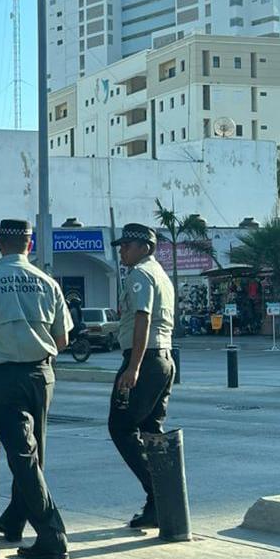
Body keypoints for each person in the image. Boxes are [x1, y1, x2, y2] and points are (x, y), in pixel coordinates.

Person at [0, 219, 73, 559]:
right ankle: (13, 520)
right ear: (30, 243)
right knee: (31, 454)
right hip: (41, 376)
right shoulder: (48, 283)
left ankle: (52, 535)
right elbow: (63, 338)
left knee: (22, 457)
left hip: (3, 380)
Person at [109, 223, 176, 530]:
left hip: (145, 359)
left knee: (121, 427)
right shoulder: (161, 274)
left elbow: (142, 318)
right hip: (163, 358)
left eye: (127, 245)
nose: (122, 250)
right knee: (151, 431)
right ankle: (159, 505)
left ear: (145, 247)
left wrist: (132, 367)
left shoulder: (140, 274)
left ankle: (160, 494)